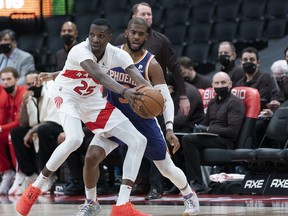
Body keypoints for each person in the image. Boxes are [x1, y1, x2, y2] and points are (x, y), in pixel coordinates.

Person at [16, 18, 151, 216]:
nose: (95, 39)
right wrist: (125, 92)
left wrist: (152, 93)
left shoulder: (117, 54)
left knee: (139, 140)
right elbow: (100, 76)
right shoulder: (80, 50)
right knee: (75, 139)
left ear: (109, 38)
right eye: (92, 34)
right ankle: (35, 188)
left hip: (91, 99)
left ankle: (122, 205)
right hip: (66, 94)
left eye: (101, 36)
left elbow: (136, 76)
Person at [105, 17, 199, 215]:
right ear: (126, 32)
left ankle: (189, 194)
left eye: (141, 33)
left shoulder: (152, 64)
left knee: (166, 168)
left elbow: (164, 99)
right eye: (133, 32)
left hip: (143, 121)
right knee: (94, 153)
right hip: (117, 118)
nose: (136, 36)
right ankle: (97, 202)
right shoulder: (112, 54)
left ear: (146, 37)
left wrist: (170, 129)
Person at [114, 2, 190, 117]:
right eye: (143, 14)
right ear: (134, 17)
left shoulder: (162, 40)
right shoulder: (121, 39)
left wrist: (183, 97)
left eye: (149, 14)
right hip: (124, 97)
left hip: (152, 97)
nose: (147, 17)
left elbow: (175, 68)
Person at [182, 72, 245, 193]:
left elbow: (232, 131)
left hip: (225, 141)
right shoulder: (212, 102)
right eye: (217, 83)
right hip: (210, 138)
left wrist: (208, 130)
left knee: (188, 140)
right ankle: (180, 182)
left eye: (223, 83)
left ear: (230, 84)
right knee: (181, 140)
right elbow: (204, 125)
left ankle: (198, 184)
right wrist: (199, 128)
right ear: (212, 85)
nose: (220, 85)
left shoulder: (235, 103)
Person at [9, 70, 62, 195]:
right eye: (28, 84)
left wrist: (32, 130)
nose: (31, 86)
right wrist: (23, 104)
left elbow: (52, 121)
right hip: (39, 129)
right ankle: (30, 175)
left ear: (41, 81)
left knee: (43, 130)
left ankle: (49, 176)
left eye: (34, 82)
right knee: (16, 132)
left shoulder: (51, 92)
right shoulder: (30, 96)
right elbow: (23, 123)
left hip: (57, 128)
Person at [235, 47, 275, 147]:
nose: (248, 62)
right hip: (242, 118)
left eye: (252, 60)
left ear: (258, 63)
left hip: (258, 118)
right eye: (245, 60)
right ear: (241, 63)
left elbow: (261, 102)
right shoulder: (239, 83)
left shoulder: (264, 78)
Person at [0, 67, 27, 194]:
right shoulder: (4, 95)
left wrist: (1, 128)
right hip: (15, 129)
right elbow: (3, 117)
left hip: (28, 127)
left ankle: (20, 173)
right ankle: (6, 172)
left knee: (12, 135)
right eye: (3, 79)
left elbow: (19, 121)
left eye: (9, 79)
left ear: (16, 79)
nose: (5, 82)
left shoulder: (23, 93)